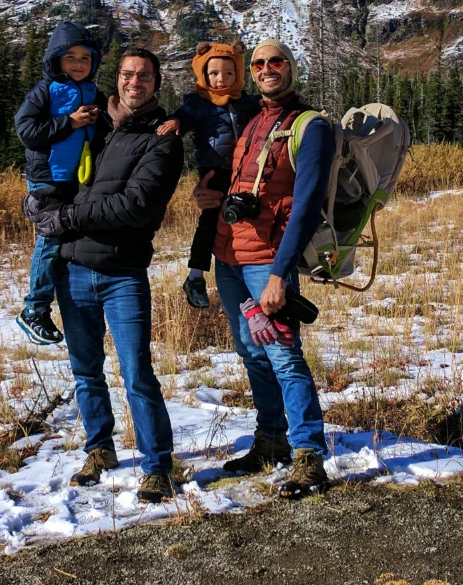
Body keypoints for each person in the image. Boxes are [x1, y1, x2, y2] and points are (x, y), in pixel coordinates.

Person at [23, 48, 184, 504]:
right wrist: (37, 202)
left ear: (156, 82)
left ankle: (157, 466)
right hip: (73, 272)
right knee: (86, 373)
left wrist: (66, 218)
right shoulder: (93, 124)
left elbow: (136, 205)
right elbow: (52, 164)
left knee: (137, 373)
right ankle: (100, 450)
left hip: (122, 274)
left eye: (145, 76)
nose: (136, 82)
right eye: (129, 74)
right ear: (117, 80)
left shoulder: (163, 139)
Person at [197, 38, 335, 499]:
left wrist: (281, 272)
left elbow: (308, 204)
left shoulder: (309, 126)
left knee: (282, 354)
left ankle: (309, 455)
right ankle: (271, 439)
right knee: (252, 353)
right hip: (230, 257)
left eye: (276, 61)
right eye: (258, 64)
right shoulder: (254, 121)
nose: (266, 69)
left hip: (266, 262)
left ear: (291, 67)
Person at [13, 22, 104, 346]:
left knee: (69, 244)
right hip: (47, 178)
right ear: (56, 60)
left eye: (85, 58)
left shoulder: (93, 91)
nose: (78, 64)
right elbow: (26, 130)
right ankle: (34, 310)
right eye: (70, 57)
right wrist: (70, 122)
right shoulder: (44, 90)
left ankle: (63, 306)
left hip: (77, 181)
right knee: (50, 243)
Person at [156, 42, 260, 309]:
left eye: (228, 73)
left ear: (238, 74)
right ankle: (195, 275)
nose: (221, 79)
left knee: (244, 219)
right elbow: (185, 116)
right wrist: (176, 122)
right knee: (211, 220)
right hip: (214, 171)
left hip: (244, 171)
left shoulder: (246, 102)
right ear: (203, 75)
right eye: (213, 73)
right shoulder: (199, 102)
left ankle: (245, 271)